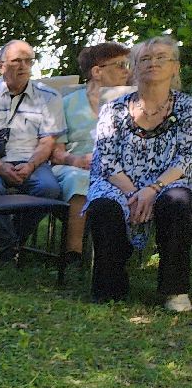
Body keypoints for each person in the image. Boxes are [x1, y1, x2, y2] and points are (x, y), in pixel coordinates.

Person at [84, 36, 192, 308]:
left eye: (161, 57)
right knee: (103, 207)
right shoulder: (113, 109)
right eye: (144, 58)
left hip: (169, 180)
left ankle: (174, 289)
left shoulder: (188, 108)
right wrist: (133, 192)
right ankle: (111, 287)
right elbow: (106, 161)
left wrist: (152, 189)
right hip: (120, 182)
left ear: (175, 67)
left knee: (178, 202)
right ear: (134, 67)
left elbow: (187, 158)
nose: (152, 63)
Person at [0, 40, 66, 261]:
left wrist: (29, 166)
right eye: (17, 61)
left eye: (28, 61)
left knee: (48, 188)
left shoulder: (48, 97)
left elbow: (48, 141)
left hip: (32, 162)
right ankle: (10, 246)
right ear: (1, 66)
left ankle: (5, 245)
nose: (23, 66)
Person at [58, 42, 133, 262]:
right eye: (120, 65)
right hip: (74, 165)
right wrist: (76, 160)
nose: (127, 71)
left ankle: (121, 252)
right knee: (81, 180)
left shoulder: (132, 103)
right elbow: (54, 150)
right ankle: (74, 252)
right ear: (97, 71)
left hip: (119, 167)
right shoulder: (68, 103)